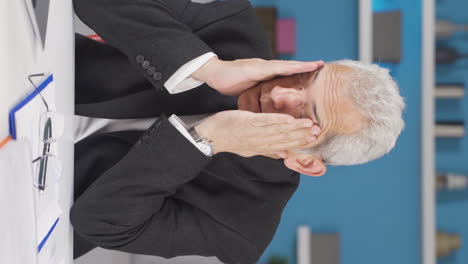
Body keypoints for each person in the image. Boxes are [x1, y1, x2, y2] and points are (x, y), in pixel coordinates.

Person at [71, 0, 405, 263]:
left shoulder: (243, 223)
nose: (279, 94)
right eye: (303, 80)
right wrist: (209, 69)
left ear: (305, 162)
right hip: (31, 77)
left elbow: (98, 222)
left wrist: (205, 140)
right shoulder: (232, 29)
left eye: (305, 113)